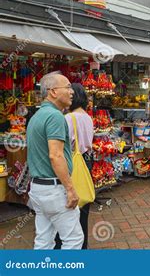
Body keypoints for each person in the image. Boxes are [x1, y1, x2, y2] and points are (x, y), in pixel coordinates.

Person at [27, 72, 83, 249]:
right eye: (67, 87)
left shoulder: (36, 116)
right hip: (54, 189)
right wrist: (70, 189)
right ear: (52, 92)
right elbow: (55, 155)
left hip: (38, 188)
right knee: (73, 240)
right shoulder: (55, 116)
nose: (71, 91)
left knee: (43, 240)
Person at [55, 83, 94, 250]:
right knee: (83, 207)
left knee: (68, 207)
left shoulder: (68, 118)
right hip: (86, 162)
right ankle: (82, 246)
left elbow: (63, 145)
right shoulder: (87, 117)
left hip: (72, 163)